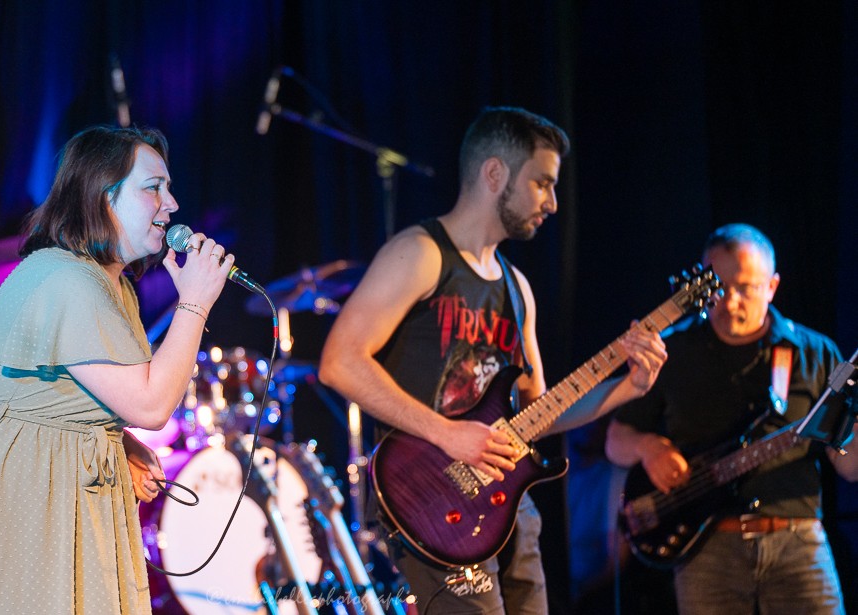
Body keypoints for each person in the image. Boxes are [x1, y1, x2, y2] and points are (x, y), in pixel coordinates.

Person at [318, 106, 668, 614]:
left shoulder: (517, 289)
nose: (551, 202)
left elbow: (540, 414)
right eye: (542, 183)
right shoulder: (420, 253)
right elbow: (339, 362)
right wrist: (446, 432)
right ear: (495, 174)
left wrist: (628, 387)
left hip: (508, 509)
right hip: (430, 500)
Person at [0, 126, 235, 614]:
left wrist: (120, 442)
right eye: (153, 187)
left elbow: (73, 398)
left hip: (48, 483)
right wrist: (195, 304)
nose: (172, 203)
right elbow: (152, 405)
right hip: (12, 494)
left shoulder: (108, 283)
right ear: (102, 196)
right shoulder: (67, 279)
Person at [605, 223, 858, 614]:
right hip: (706, 546)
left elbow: (849, 466)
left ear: (772, 287)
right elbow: (614, 441)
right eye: (718, 287)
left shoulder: (815, 352)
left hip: (797, 541)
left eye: (746, 288)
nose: (730, 302)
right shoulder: (672, 350)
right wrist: (649, 446)